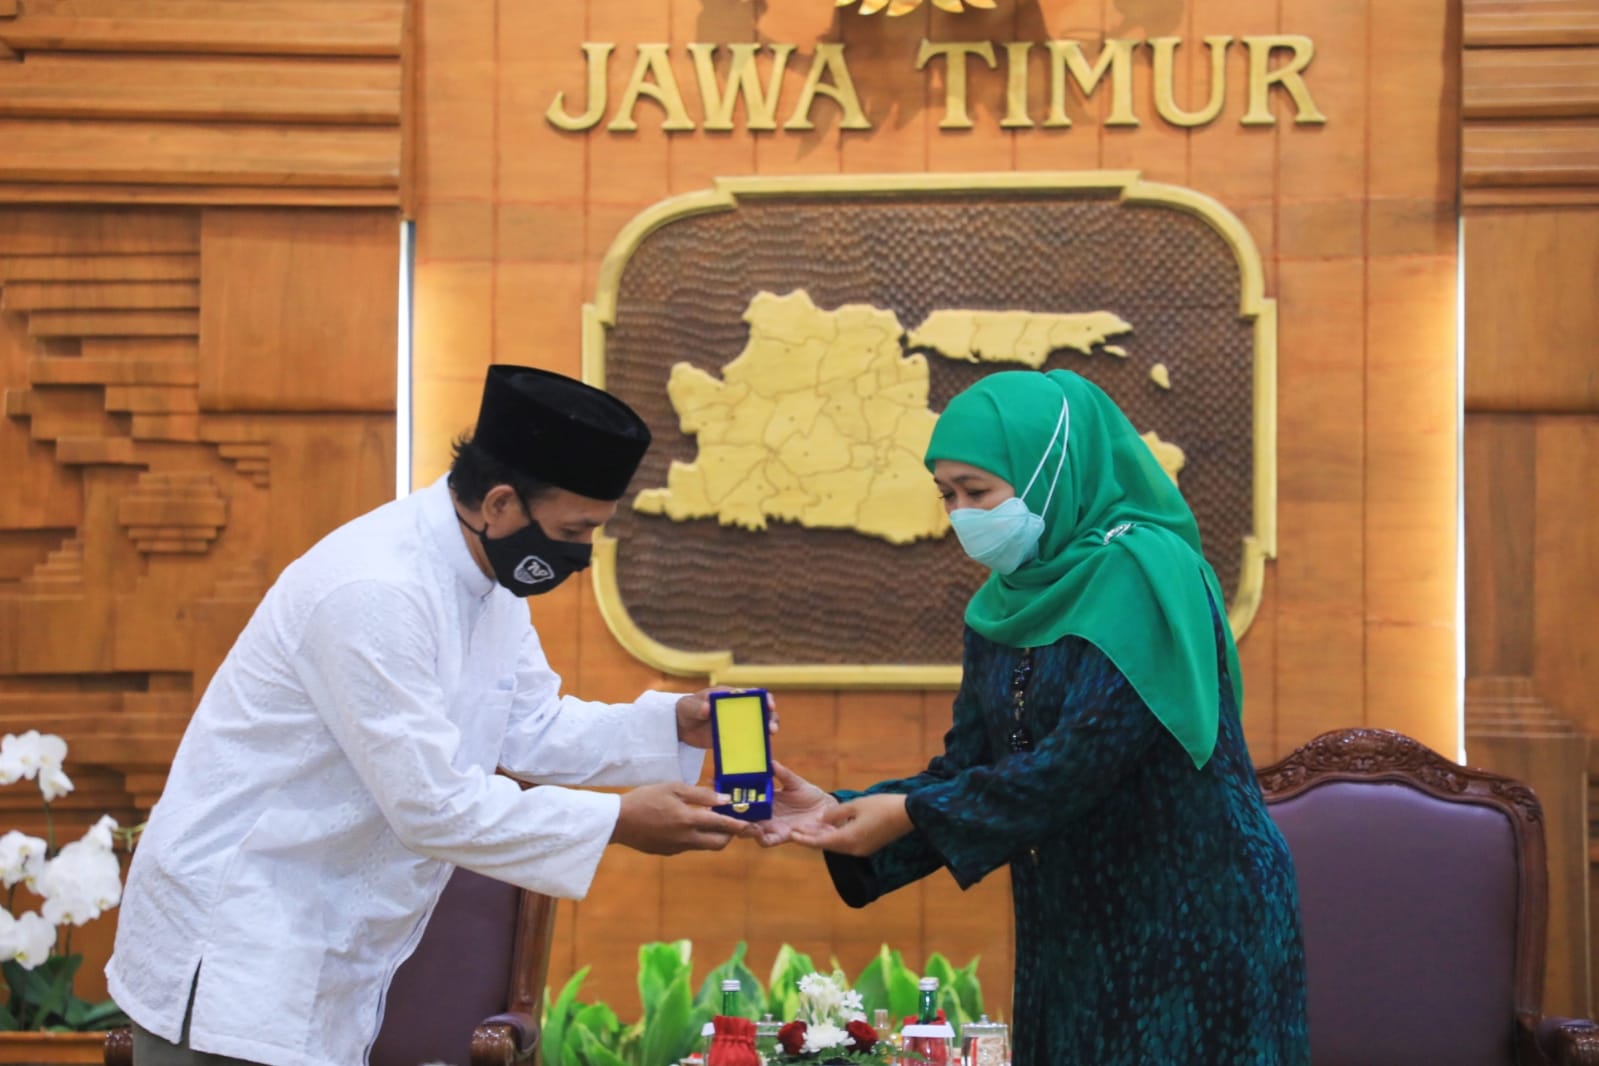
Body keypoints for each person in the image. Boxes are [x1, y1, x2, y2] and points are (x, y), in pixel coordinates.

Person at [107, 365, 759, 1066]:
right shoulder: (376, 589)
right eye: (573, 530)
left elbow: (528, 726)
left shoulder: (489, 576)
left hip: (317, 941)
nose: (579, 554)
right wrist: (618, 821)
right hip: (236, 941)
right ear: (500, 502)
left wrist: (671, 724)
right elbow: (431, 806)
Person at [758, 370, 1309, 1065]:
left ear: (1048, 472)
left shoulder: (1142, 573)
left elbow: (1076, 765)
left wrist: (908, 814)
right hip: (1071, 913)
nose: (962, 514)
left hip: (1190, 911)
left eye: (978, 491)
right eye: (947, 494)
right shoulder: (1005, 604)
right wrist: (839, 814)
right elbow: (968, 767)